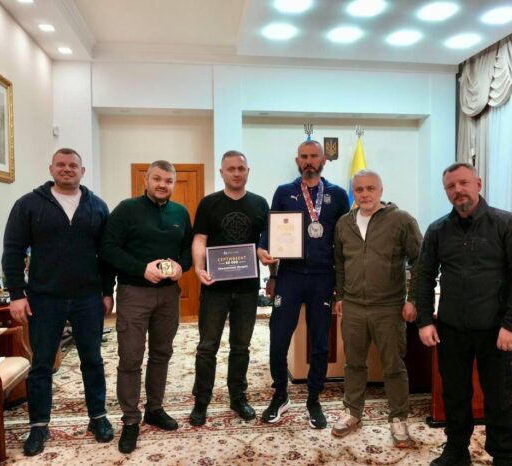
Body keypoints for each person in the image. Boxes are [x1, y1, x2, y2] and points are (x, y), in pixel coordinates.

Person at [416, 162, 512, 466]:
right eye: (450, 186)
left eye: (464, 183)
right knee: (455, 394)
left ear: (478, 184)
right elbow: (423, 275)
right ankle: (456, 450)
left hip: (497, 331)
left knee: (499, 397)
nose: (458, 190)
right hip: (451, 329)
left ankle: (503, 457)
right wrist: (425, 320)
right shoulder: (437, 230)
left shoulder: (507, 224)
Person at [2, 148, 115, 456]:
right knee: (41, 364)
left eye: (73, 165)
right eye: (61, 165)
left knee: (93, 360)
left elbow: (107, 255)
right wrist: (16, 294)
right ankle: (38, 426)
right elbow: (13, 250)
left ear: (82, 171)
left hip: (88, 297)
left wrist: (108, 291)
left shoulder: (97, 206)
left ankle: (98, 417)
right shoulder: (28, 204)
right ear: (51, 168)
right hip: (44, 298)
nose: (67, 169)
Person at [101, 160, 192, 454]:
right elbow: (108, 249)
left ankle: (154, 408)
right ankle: (130, 419)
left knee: (162, 353)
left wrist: (181, 267)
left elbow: (188, 250)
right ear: (147, 180)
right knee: (130, 357)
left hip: (169, 295)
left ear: (173, 183)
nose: (162, 185)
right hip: (134, 293)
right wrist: (141, 269)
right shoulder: (126, 210)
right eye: (157, 179)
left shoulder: (181, 213)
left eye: (168, 180)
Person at [257, 140, 350, 429]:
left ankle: (313, 399)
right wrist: (272, 272)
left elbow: (344, 241)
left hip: (323, 276)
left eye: (313, 156)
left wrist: (341, 288)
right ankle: (280, 394)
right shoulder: (284, 192)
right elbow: (271, 233)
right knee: (278, 336)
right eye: (304, 157)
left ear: (323, 160)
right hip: (290, 275)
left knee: (320, 341)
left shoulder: (337, 195)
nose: (309, 161)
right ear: (297, 161)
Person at [331, 169, 422, 447]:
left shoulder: (401, 220)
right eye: (359, 189)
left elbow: (420, 261)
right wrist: (340, 295)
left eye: (370, 188)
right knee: (353, 363)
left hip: (389, 307)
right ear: (353, 193)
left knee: (393, 365)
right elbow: (340, 263)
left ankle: (398, 418)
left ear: (381, 190)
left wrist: (413, 299)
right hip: (353, 307)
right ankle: (352, 412)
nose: (365, 194)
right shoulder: (344, 223)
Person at [189, 150, 269, 426]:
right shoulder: (209, 203)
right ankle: (201, 400)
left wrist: (266, 260)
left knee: (241, 347)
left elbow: (264, 243)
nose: (236, 173)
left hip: (247, 288)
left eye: (240, 168)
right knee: (207, 347)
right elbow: (200, 239)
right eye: (231, 169)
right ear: (221, 172)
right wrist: (198, 268)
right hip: (215, 287)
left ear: (248, 172)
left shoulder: (260, 204)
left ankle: (238, 397)